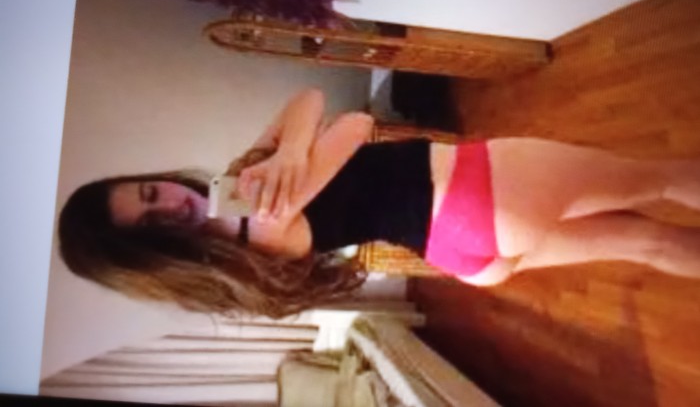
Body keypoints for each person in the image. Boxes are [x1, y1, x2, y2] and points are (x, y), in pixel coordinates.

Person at [59, 88, 700, 319]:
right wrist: (289, 152)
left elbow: (306, 100)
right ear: (158, 255)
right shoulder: (253, 212)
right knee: (661, 179)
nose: (172, 206)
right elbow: (354, 124)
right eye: (154, 224)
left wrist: (284, 149)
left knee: (645, 243)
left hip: (460, 252)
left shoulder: (236, 229)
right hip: (474, 194)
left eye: (152, 192)